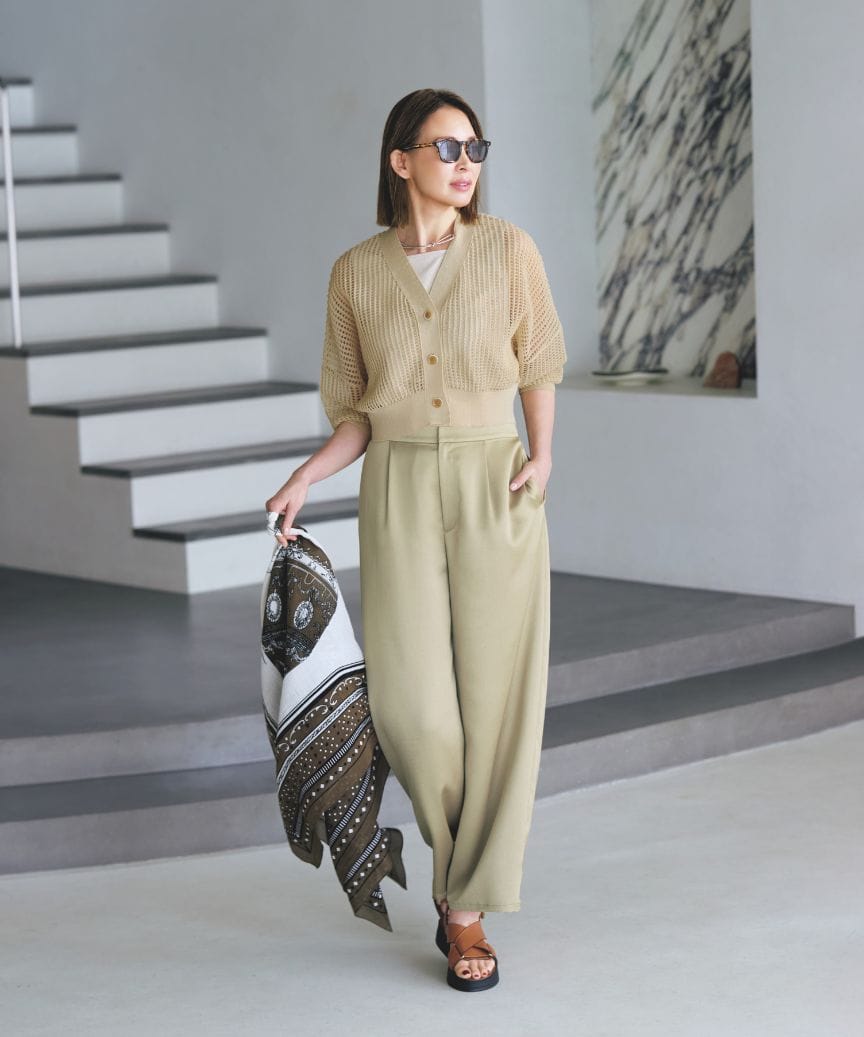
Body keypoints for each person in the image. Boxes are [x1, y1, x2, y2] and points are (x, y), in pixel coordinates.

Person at [265, 87, 566, 992]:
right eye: (447, 147)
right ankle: (459, 870)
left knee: (500, 698)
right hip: (395, 486)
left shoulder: (508, 249)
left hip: (494, 480)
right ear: (401, 161)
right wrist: (308, 474)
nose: (466, 163)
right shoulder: (356, 274)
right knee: (413, 707)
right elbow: (359, 411)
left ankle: (463, 906)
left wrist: (543, 455)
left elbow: (540, 360)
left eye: (475, 147)